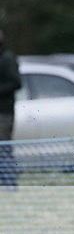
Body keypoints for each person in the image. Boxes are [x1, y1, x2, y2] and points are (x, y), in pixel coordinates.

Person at [0, 28, 22, 187]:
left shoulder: (7, 58)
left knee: (4, 148)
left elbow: (16, 83)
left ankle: (9, 183)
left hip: (4, 112)